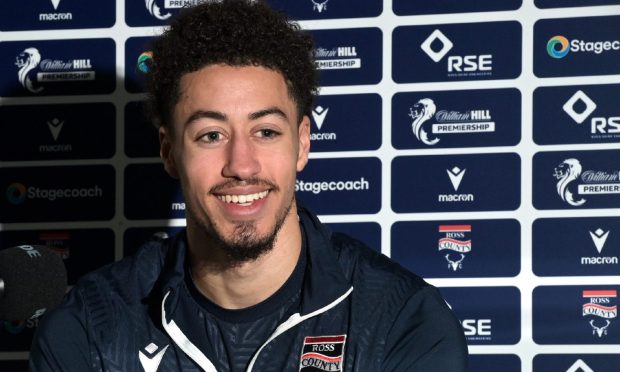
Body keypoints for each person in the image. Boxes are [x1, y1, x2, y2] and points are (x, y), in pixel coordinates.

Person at [29, 1, 468, 371]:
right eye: (210, 136)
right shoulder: (90, 328)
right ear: (168, 152)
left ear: (302, 143)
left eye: (266, 132)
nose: (241, 166)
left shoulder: (402, 323)